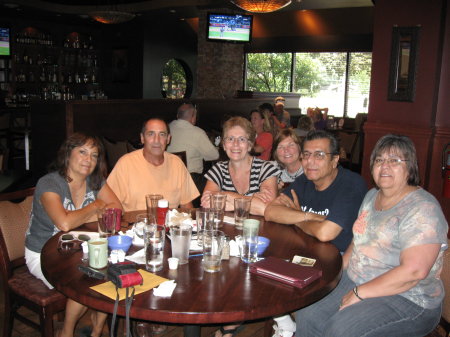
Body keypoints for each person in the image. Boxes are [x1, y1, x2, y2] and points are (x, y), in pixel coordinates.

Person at [295, 134, 449, 337]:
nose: (384, 166)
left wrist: (360, 293)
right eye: (379, 160)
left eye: (394, 161)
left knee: (341, 330)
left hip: (408, 297)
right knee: (307, 311)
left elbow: (414, 272)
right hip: (359, 278)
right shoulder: (372, 196)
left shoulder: (422, 208)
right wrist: (334, 272)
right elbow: (358, 242)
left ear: (410, 167)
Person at [25, 133, 122, 337]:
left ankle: (96, 331)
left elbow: (115, 208)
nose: (89, 160)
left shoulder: (96, 181)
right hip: (43, 253)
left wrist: (85, 214)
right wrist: (96, 206)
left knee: (115, 272)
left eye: (95, 155)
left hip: (80, 249)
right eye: (83, 152)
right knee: (85, 281)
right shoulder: (50, 183)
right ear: (68, 154)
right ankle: (66, 333)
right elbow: (64, 223)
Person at [265, 129, 367, 253]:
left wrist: (297, 220)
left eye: (319, 155)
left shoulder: (351, 184)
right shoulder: (304, 181)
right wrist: (309, 216)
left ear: (334, 160)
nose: (310, 161)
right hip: (306, 248)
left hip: (338, 257)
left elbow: (325, 233)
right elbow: (270, 212)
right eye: (306, 154)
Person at [107, 118, 200, 212]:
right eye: (151, 134)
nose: (157, 140)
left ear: (168, 139)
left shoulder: (177, 164)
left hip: (170, 225)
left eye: (162, 134)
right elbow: (108, 205)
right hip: (134, 224)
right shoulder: (125, 164)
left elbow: (187, 206)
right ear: (142, 138)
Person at [202, 116, 279, 216]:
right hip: (225, 231)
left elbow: (268, 209)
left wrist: (227, 196)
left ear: (250, 145)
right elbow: (207, 203)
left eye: (242, 139)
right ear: (224, 145)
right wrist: (252, 201)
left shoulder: (266, 169)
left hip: (258, 231)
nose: (235, 144)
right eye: (230, 139)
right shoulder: (218, 170)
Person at [167, 102, 219, 196]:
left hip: (167, 178)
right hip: (191, 181)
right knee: (216, 182)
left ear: (177, 115)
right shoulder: (197, 132)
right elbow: (214, 155)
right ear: (193, 118)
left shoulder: (166, 128)